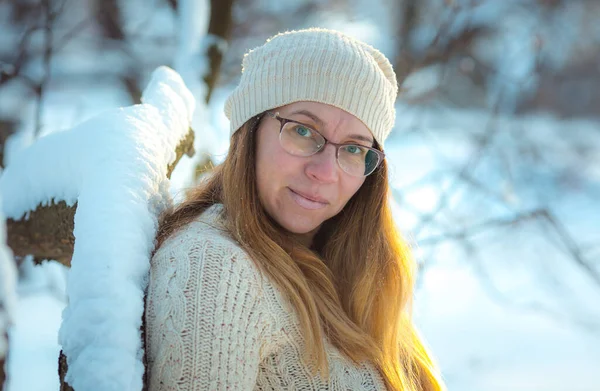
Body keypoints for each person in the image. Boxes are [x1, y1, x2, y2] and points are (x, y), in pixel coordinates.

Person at [144, 28, 446, 391]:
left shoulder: (350, 272)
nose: (324, 172)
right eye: (303, 131)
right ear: (249, 130)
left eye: (353, 149)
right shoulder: (215, 264)